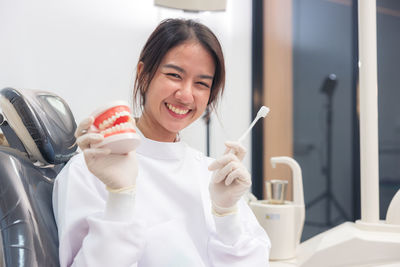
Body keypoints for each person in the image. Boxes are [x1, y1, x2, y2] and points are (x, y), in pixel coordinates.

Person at [52, 18, 270, 267]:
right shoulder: (88, 172)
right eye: (174, 75)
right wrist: (120, 198)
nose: (186, 95)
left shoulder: (208, 173)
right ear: (143, 75)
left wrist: (227, 214)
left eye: (201, 84)